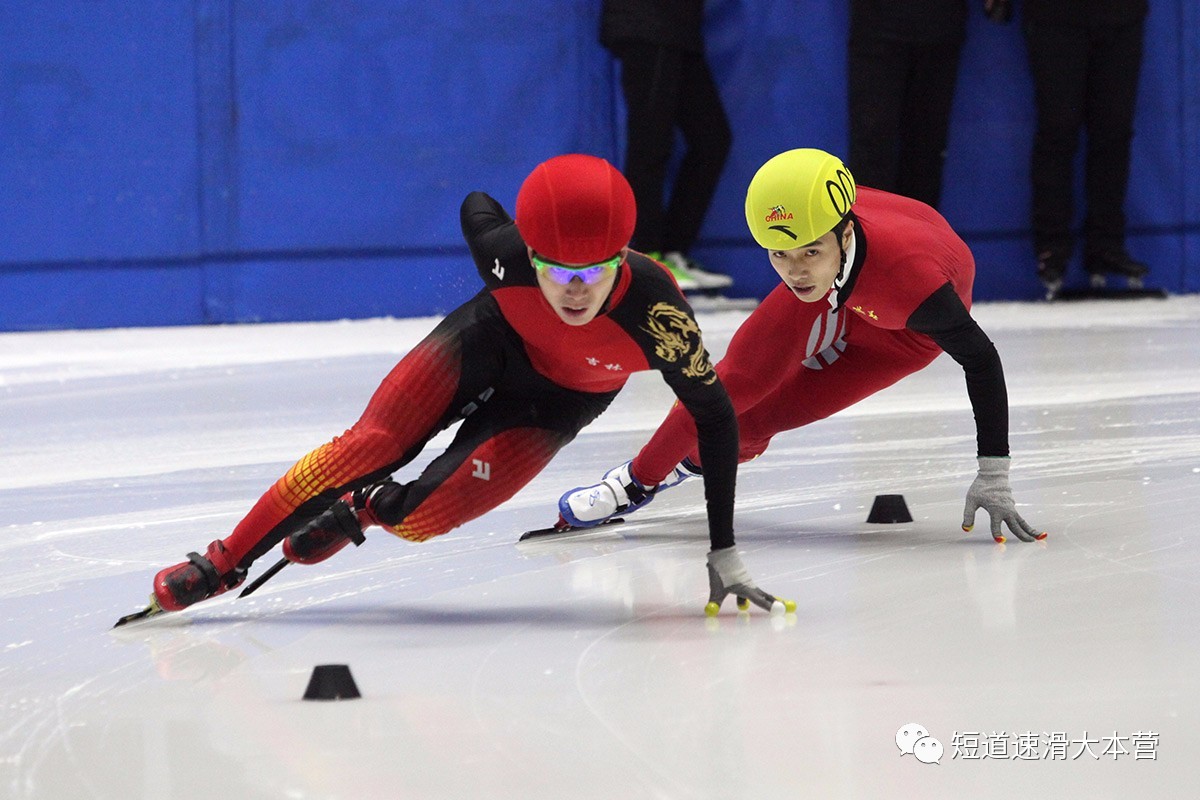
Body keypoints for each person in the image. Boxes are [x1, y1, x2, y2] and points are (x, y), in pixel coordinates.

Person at [118, 154, 791, 625]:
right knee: (369, 444)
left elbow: (716, 420)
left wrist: (724, 550)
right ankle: (222, 561)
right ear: (529, 253)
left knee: (424, 520)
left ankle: (367, 513)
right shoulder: (501, 250)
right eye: (557, 269)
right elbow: (477, 204)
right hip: (489, 337)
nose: (578, 290)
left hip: (556, 400)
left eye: (597, 269)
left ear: (624, 257)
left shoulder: (659, 319)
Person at [558, 148, 1046, 547]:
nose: (795, 271)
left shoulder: (913, 284)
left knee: (759, 421)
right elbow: (722, 385)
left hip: (899, 334)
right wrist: (637, 479)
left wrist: (993, 473)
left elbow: (981, 360)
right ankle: (635, 482)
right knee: (732, 392)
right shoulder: (809, 256)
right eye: (779, 256)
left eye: (810, 251)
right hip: (844, 289)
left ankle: (682, 466)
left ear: (845, 232)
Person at [1015, 0, 1151, 297]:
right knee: (1058, 130)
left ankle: (1106, 245)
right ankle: (1052, 247)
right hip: (1054, 17)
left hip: (1122, 16)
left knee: (1113, 132)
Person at [600, 0, 734, 294]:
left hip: (680, 28)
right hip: (646, 22)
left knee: (712, 139)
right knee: (650, 144)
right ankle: (648, 261)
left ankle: (672, 253)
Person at [847, 0, 971, 210]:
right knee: (874, 147)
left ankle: (919, 239)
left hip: (939, 24)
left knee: (925, 151)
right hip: (878, 22)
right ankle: (870, 239)